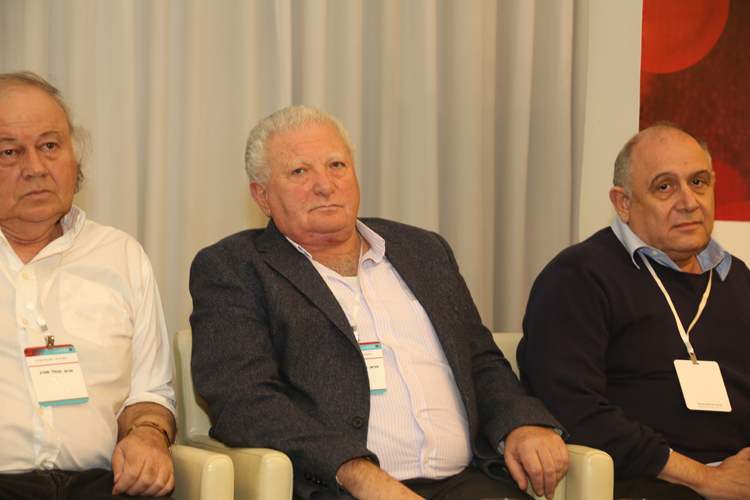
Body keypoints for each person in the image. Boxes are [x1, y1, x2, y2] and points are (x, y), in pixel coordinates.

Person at [190, 105, 569, 500]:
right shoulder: (234, 267)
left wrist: (519, 423)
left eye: (336, 165)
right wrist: (355, 472)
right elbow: (244, 401)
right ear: (262, 196)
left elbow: (480, 360)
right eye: (300, 171)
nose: (325, 185)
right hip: (345, 489)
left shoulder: (423, 249)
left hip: (468, 481)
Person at [518, 122, 750, 500]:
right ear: (623, 203)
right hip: (648, 482)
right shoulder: (578, 277)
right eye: (665, 187)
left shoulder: (736, 278)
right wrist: (705, 478)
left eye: (698, 182)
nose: (689, 202)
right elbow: (572, 410)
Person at [0, 71, 176, 499]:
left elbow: (149, 391)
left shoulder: (121, 256)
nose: (35, 168)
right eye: (9, 152)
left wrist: (148, 434)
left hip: (101, 486)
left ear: (75, 157)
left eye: (49, 146)